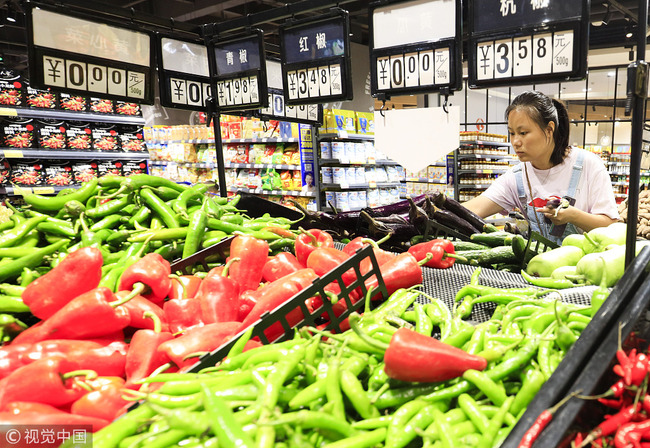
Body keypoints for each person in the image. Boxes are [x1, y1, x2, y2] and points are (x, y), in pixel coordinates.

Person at [463, 90, 619, 244]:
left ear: (549, 129)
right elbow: (473, 209)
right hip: (537, 265)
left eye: (523, 133)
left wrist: (573, 216)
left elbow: (611, 226)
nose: (516, 142)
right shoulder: (517, 176)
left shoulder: (588, 165)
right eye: (512, 133)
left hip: (584, 265)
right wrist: (439, 210)